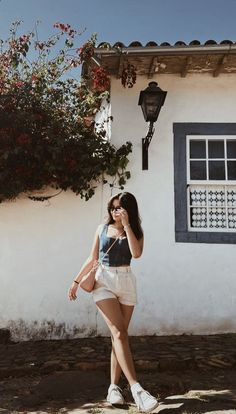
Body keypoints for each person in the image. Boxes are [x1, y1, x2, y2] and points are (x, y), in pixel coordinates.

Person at [68, 192, 159, 413]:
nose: (114, 212)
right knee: (119, 333)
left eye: (119, 208)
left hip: (126, 281)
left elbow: (136, 254)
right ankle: (137, 390)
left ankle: (113, 388)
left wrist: (127, 225)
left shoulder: (136, 232)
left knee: (119, 337)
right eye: (112, 208)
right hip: (104, 281)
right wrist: (76, 281)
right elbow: (92, 258)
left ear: (128, 210)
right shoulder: (101, 229)